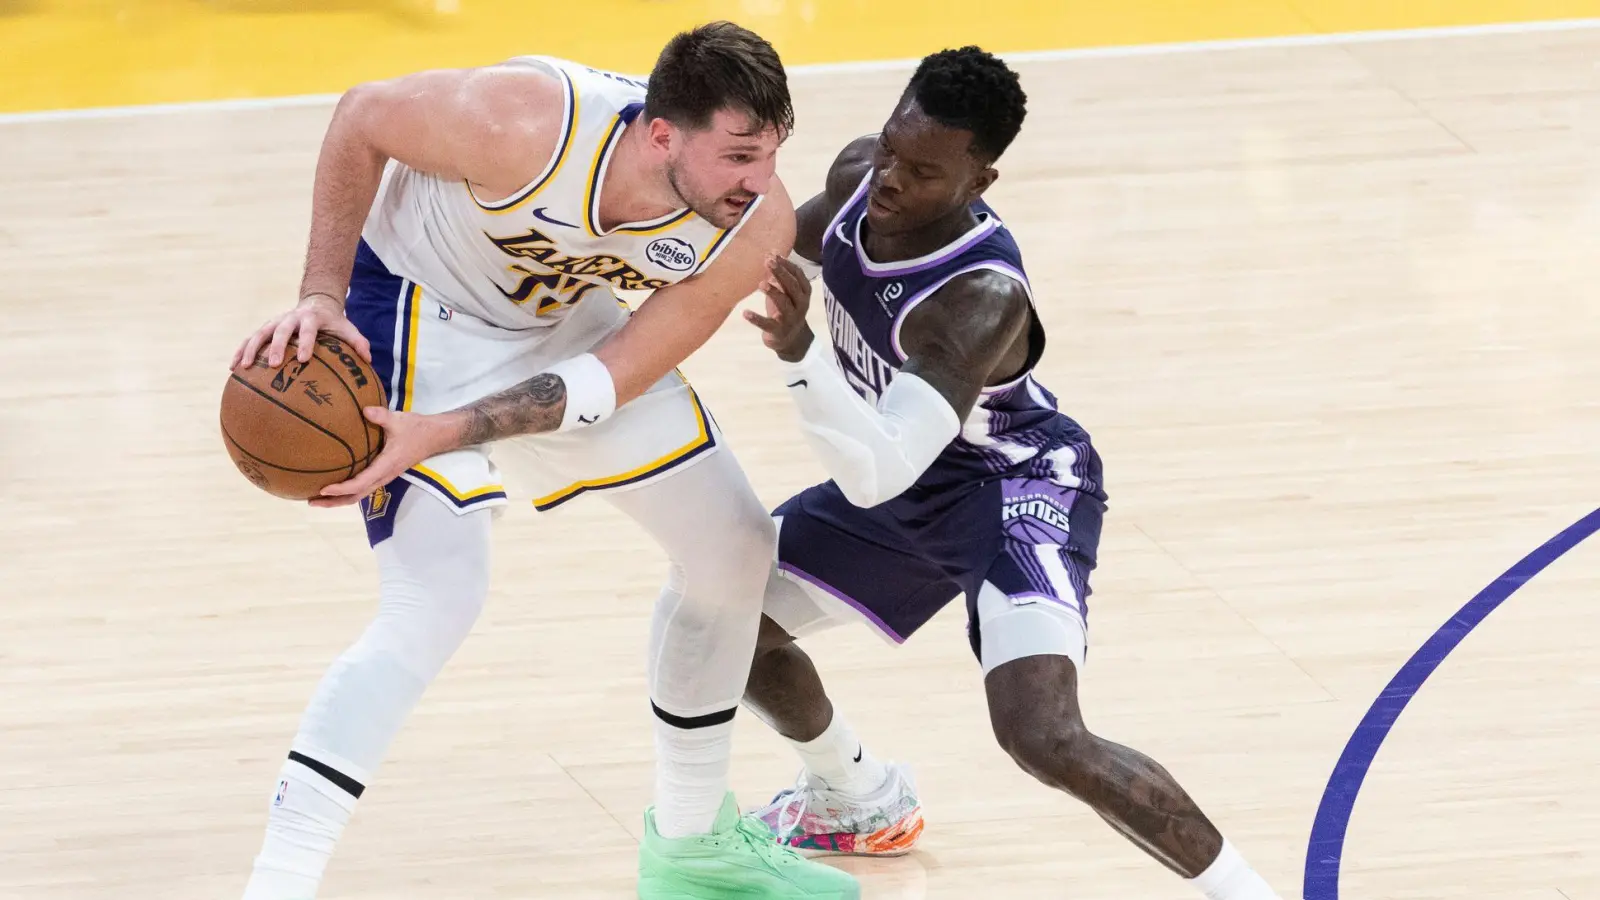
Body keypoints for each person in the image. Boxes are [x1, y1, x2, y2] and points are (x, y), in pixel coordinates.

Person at [228, 22, 857, 900]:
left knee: (737, 549)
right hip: (418, 306)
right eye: (740, 155)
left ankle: (688, 848)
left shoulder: (753, 224)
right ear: (662, 134)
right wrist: (320, 296)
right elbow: (361, 117)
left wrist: (451, 431)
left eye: (772, 153)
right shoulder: (525, 123)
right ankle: (280, 880)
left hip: (563, 329)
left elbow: (613, 374)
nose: (760, 182)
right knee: (437, 598)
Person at [738, 47, 1286, 900]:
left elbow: (881, 470)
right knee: (722, 622)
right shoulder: (858, 177)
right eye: (890, 148)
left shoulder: (981, 295)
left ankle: (1253, 892)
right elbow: (774, 256)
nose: (890, 179)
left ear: (979, 180)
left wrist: (804, 352)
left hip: (1012, 488)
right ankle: (856, 797)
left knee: (1044, 736)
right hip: (903, 469)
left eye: (922, 172)